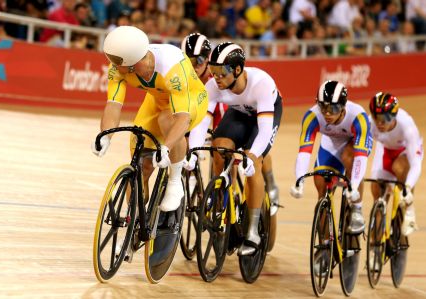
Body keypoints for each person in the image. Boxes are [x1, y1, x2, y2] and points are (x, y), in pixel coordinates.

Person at [92, 26, 208, 212]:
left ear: (132, 62)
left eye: (116, 62)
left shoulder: (173, 66)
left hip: (192, 102)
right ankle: (134, 224)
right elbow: (113, 105)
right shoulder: (119, 66)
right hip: (156, 101)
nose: (112, 65)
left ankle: (175, 182)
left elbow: (182, 119)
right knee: (140, 166)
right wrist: (105, 135)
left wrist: (166, 147)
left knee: (166, 120)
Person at [184, 42, 283, 255]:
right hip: (239, 113)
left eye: (221, 72)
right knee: (219, 148)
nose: (216, 77)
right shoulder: (213, 87)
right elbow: (201, 124)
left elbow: (264, 131)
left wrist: (253, 155)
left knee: (252, 161)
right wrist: (193, 151)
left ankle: (253, 231)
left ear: (237, 70)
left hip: (264, 115)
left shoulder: (261, 84)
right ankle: (222, 201)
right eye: (213, 71)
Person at [290, 80, 372, 234]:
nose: (327, 113)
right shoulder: (312, 116)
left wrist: (353, 185)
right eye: (323, 107)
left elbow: (360, 157)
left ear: (343, 107)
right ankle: (325, 247)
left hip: (353, 143)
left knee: (349, 158)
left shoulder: (358, 116)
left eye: (333, 108)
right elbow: (304, 151)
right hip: (330, 145)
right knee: (322, 189)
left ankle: (356, 209)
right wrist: (299, 180)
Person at [369, 92, 422, 236]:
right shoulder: (369, 124)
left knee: (399, 168)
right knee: (377, 191)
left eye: (385, 119)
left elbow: (416, 163)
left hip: (404, 153)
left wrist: (408, 186)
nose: (380, 123)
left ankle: (408, 211)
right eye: (376, 118)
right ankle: (375, 245)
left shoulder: (406, 124)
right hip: (385, 151)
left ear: (394, 116)